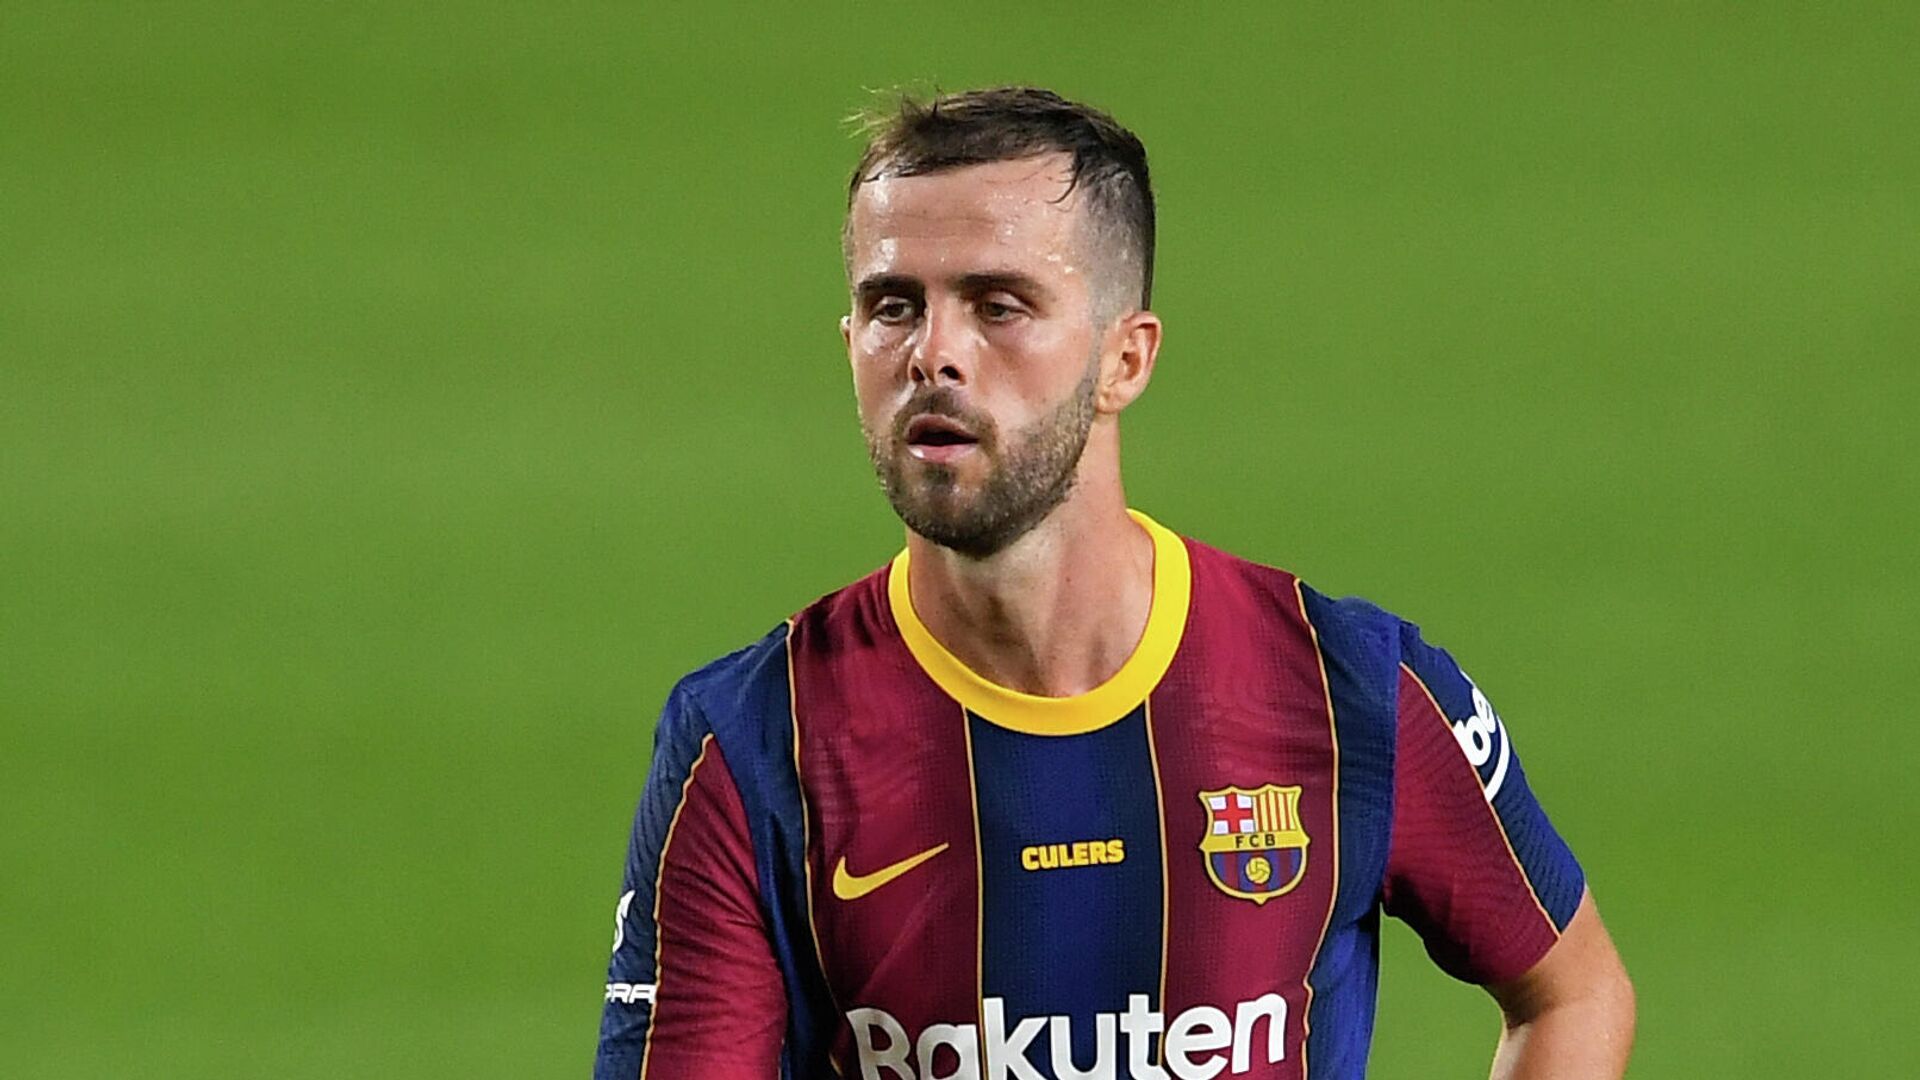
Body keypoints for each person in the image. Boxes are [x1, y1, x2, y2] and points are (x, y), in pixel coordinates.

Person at [595, 86, 1634, 1080]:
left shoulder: (1350, 688)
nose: (934, 355)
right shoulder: (747, 744)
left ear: (1123, 360)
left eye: (1000, 305)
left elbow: (1573, 992)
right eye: (892, 307)